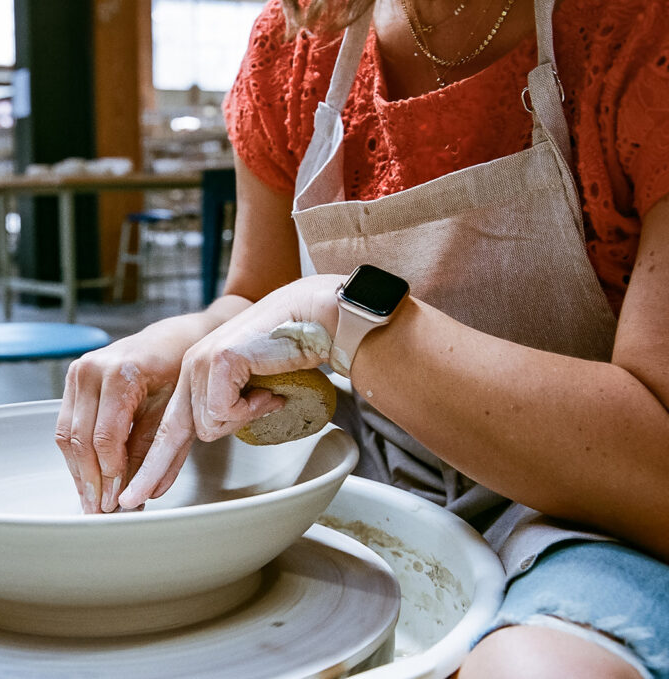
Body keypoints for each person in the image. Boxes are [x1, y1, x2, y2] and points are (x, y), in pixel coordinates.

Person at [55, 0, 669, 676]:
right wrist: (178, 344)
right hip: (374, 470)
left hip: (588, 514)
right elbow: (255, 295)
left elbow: (655, 474)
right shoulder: (296, 42)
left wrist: (344, 319)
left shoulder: (639, 32)